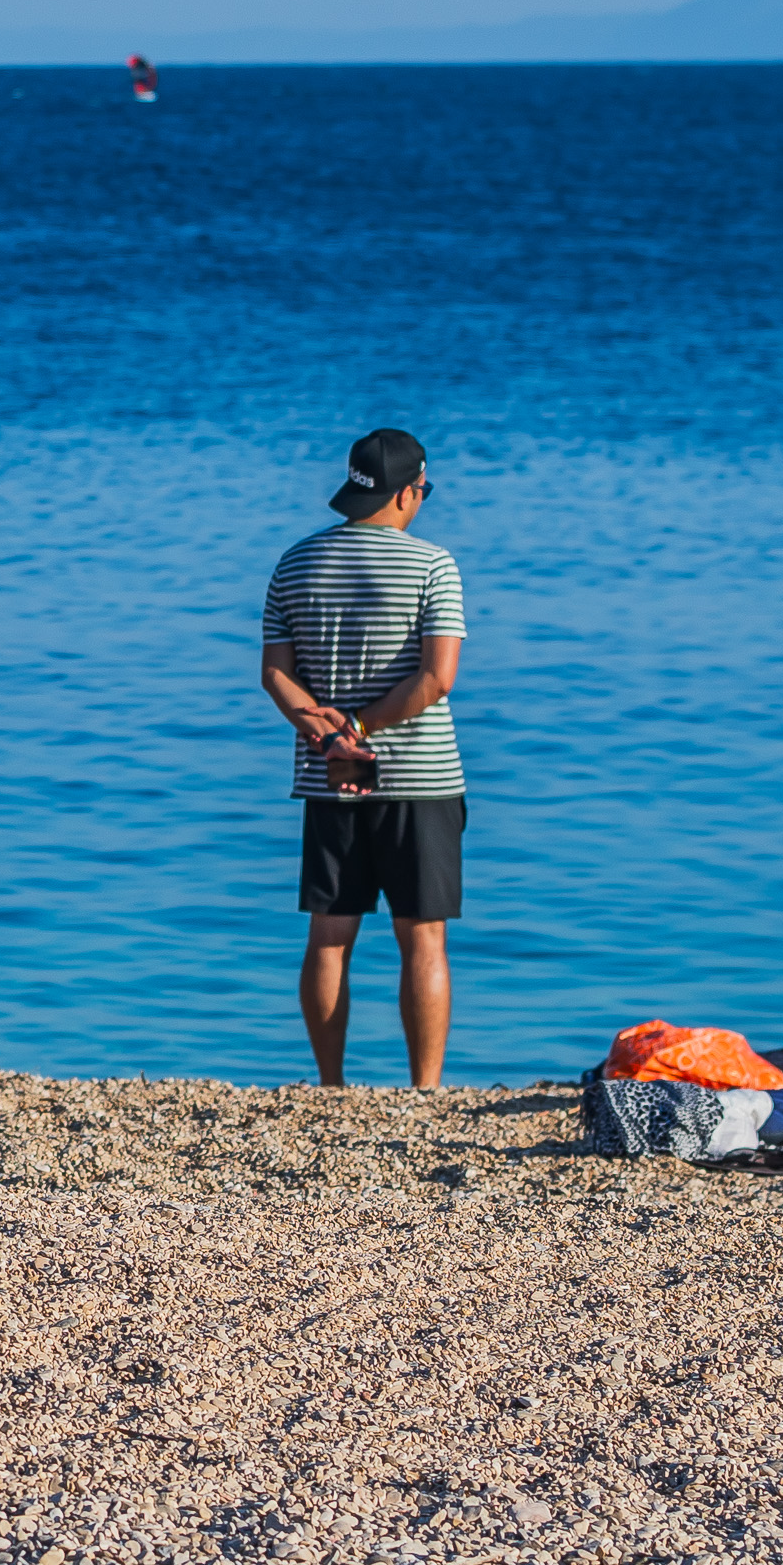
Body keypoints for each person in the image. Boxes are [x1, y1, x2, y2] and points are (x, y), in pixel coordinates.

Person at [260, 428, 467, 1089]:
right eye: (424, 489)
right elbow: (437, 679)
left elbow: (276, 675)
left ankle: (331, 1086)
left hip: (331, 775)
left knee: (330, 935)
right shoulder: (433, 565)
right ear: (407, 492)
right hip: (421, 776)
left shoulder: (295, 562)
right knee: (422, 937)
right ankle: (425, 1090)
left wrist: (328, 737)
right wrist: (360, 724)